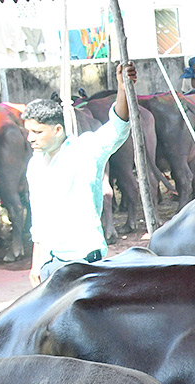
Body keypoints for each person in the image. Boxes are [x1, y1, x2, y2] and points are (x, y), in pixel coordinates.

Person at [23, 62, 136, 286]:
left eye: (37, 132)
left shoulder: (85, 150)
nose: (30, 138)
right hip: (49, 262)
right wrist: (36, 263)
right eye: (28, 131)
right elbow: (39, 219)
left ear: (57, 130)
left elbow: (117, 128)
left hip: (82, 260)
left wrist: (123, 89)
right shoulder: (35, 166)